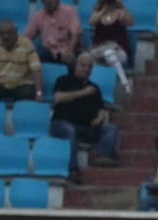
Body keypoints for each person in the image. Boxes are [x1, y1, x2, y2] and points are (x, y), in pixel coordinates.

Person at [50, 52, 120, 183]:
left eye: (89, 66)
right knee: (69, 130)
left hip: (86, 127)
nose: (86, 69)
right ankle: (73, 169)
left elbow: (101, 110)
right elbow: (57, 99)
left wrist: (99, 118)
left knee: (111, 128)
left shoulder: (95, 88)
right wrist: (83, 92)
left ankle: (102, 156)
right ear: (76, 65)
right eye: (83, 65)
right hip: (62, 123)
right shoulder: (64, 80)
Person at [87, 0, 133, 95]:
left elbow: (130, 22)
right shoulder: (98, 13)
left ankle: (125, 84)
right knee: (90, 60)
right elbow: (91, 22)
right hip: (99, 51)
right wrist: (104, 10)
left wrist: (122, 6)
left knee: (109, 53)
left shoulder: (120, 12)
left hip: (119, 51)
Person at [25, 0, 81, 67]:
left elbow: (75, 34)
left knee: (71, 60)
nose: (47, 1)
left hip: (67, 50)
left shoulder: (69, 11)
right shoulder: (38, 15)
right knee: (29, 57)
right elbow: (27, 37)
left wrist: (69, 51)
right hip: (48, 51)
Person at [0, 21, 43, 102]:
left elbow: (36, 69)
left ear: (16, 32)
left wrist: (39, 93)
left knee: (27, 93)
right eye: (2, 33)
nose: (5, 36)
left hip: (21, 85)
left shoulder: (27, 44)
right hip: (1, 84)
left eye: (9, 33)